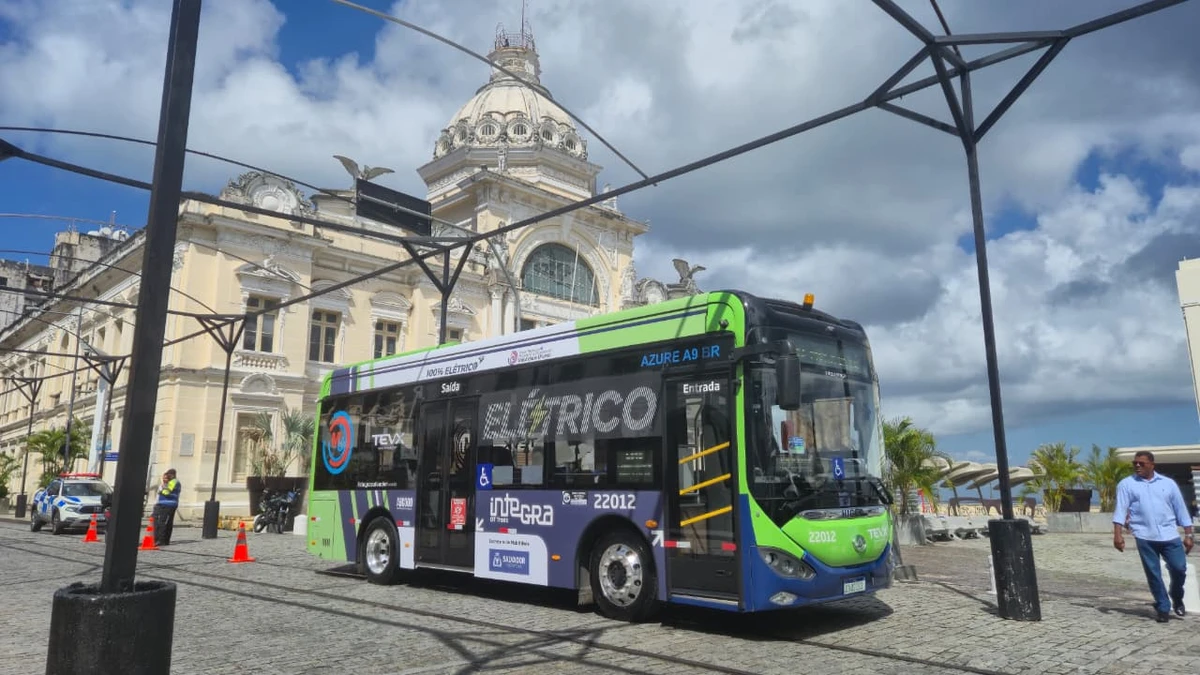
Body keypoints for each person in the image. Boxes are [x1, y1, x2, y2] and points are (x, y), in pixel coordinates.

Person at [1112, 451, 1194, 622]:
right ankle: (1163, 607)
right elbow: (1120, 510)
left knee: (1179, 568)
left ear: (1152, 464)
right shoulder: (1127, 484)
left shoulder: (1168, 484)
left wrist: (1188, 534)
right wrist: (1118, 535)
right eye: (1135, 463)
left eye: (1141, 463)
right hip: (1144, 536)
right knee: (1153, 573)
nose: (1137, 466)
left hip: (1170, 535)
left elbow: (1181, 510)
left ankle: (1177, 597)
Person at [154, 469, 181, 546]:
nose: (165, 478)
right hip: (171, 504)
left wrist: (161, 490)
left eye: (168, 476)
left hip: (167, 504)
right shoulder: (174, 482)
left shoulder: (173, 482)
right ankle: (165, 540)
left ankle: (161, 540)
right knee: (168, 522)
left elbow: (166, 492)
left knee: (162, 522)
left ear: (172, 475)